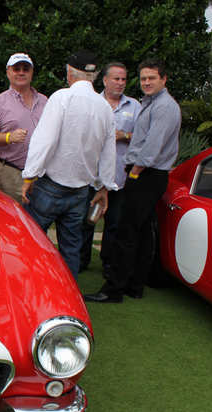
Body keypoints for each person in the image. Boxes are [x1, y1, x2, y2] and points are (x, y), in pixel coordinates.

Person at [85, 58, 181, 302]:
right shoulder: (151, 104)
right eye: (144, 78)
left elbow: (152, 148)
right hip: (147, 174)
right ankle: (134, 285)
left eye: (152, 78)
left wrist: (134, 174)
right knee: (140, 233)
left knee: (126, 233)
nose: (146, 82)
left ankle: (114, 289)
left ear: (164, 79)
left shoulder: (164, 107)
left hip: (146, 174)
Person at [20, 50, 117, 279]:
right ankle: (68, 297)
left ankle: (30, 290)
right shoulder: (104, 108)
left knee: (31, 241)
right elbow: (108, 152)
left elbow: (45, 140)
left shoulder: (62, 97)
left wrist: (29, 176)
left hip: (50, 186)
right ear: (93, 77)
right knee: (71, 249)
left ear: (69, 74)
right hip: (80, 191)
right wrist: (104, 187)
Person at [79, 63, 141, 275]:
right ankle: (81, 261)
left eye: (124, 79)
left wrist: (125, 135)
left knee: (114, 224)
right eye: (116, 79)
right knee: (86, 221)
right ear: (104, 80)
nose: (121, 83)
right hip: (91, 176)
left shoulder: (134, 107)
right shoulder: (92, 103)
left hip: (119, 177)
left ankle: (108, 264)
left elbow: (144, 138)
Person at [0, 53, 47, 206]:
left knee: (36, 222)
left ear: (32, 72)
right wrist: (8, 137)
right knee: (11, 221)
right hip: (12, 173)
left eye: (25, 69)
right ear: (8, 72)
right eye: (16, 69)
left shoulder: (45, 101)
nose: (21, 72)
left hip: (40, 174)